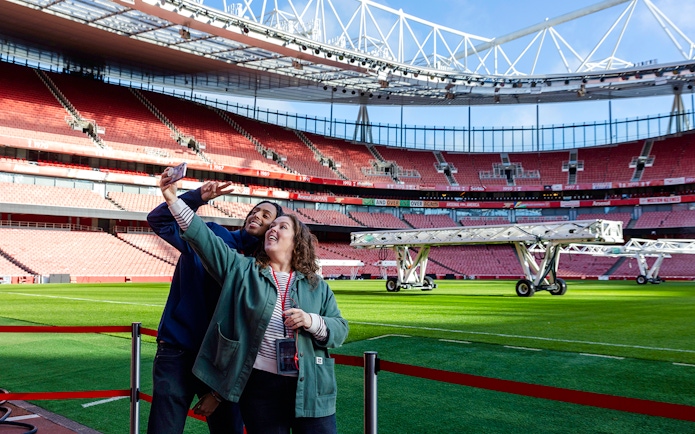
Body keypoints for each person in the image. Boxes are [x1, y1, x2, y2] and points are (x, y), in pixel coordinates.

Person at [159, 170, 348, 434]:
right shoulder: (242, 270)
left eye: (282, 226)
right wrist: (173, 199)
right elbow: (202, 238)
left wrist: (312, 321)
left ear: (296, 243)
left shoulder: (317, 285)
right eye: (271, 227)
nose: (272, 229)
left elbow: (340, 329)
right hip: (260, 393)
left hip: (313, 390)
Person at [147, 179, 282, 434]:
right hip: (179, 350)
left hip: (223, 363)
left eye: (266, 215)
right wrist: (196, 197)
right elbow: (158, 221)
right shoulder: (212, 233)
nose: (256, 215)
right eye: (254, 211)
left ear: (275, 228)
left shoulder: (267, 270)